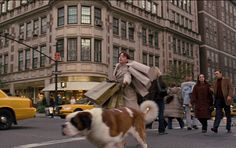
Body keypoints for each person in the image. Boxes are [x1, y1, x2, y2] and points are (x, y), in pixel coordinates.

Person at [146, 67, 168, 134]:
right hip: (159, 99)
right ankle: (161, 130)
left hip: (153, 99)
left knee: (154, 114)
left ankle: (147, 125)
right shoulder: (160, 80)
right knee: (160, 114)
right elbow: (164, 89)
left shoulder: (151, 81)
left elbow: (148, 91)